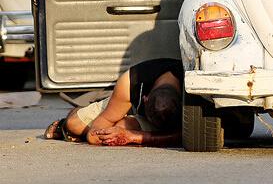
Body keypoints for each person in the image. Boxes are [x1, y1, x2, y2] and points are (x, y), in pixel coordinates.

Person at [43, 58, 184, 147]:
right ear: (144, 98)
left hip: (151, 117)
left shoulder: (193, 90)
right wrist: (99, 135)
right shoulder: (130, 82)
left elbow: (189, 136)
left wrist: (132, 137)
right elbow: (97, 132)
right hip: (124, 103)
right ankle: (68, 119)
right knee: (73, 125)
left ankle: (125, 122)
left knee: (121, 126)